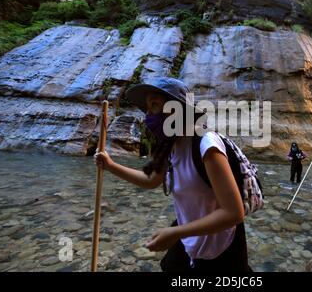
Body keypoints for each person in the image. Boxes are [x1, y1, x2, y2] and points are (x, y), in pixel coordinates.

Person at [94, 77, 251, 272]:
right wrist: (110, 165)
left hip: (221, 249)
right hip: (191, 241)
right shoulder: (171, 146)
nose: (149, 115)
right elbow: (151, 181)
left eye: (155, 105)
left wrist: (175, 232)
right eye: (148, 107)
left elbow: (234, 213)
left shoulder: (206, 145)